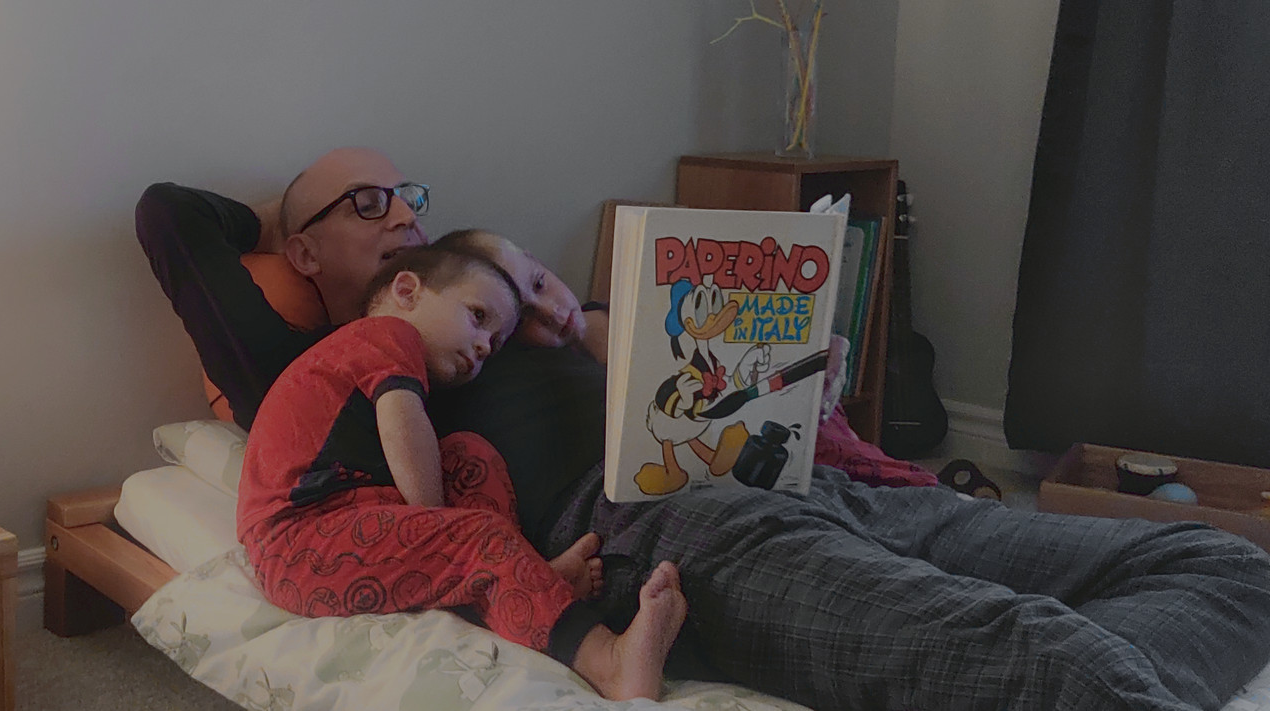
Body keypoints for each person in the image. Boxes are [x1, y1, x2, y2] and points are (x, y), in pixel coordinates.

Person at [136, 147, 1270, 711]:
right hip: (662, 529)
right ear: (303, 251)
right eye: (365, 204)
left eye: (410, 196)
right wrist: (268, 219)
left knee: (1223, 566)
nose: (404, 215)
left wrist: (584, 319)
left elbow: (689, 365)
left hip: (790, 477)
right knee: (1048, 658)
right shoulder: (318, 363)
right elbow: (171, 222)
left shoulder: (496, 304)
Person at [236, 244, 684, 701]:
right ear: (406, 291)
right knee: (478, 537)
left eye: (494, 343)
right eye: (477, 316)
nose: (484, 344)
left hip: (341, 522)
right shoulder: (384, 335)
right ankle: (610, 663)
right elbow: (402, 425)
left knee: (468, 453)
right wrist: (442, 528)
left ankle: (524, 582)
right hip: (297, 539)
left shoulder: (379, 357)